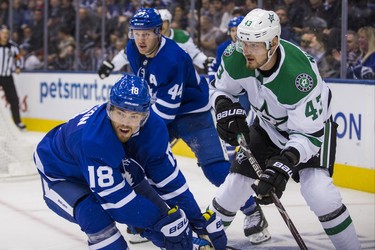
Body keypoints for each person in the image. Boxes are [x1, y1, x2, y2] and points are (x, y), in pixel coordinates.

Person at [209, 8, 361, 249]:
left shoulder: (299, 77)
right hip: (267, 126)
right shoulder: (235, 55)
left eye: (255, 45)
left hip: (311, 133)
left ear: (274, 42)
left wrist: (282, 166)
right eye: (243, 42)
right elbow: (220, 89)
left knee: (320, 193)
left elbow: (308, 135)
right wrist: (224, 106)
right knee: (234, 185)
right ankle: (205, 242)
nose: (246, 50)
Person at [34, 73, 226, 249]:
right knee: (95, 217)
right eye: (120, 113)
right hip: (62, 175)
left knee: (162, 216)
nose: (125, 123)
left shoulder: (154, 128)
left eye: (134, 116)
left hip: (109, 165)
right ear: (110, 108)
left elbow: (169, 183)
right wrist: (162, 223)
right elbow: (119, 206)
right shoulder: (94, 140)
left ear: (145, 116)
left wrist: (198, 221)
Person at [99, 7, 232, 246]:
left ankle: (253, 211)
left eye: (147, 33)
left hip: (192, 113)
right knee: (138, 163)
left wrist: (137, 132)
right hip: (159, 110)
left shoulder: (173, 57)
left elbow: (168, 112)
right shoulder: (132, 48)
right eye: (136, 33)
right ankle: (144, 220)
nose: (140, 38)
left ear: (159, 32)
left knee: (215, 169)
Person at [208, 15, 272, 245]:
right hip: (234, 101)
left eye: (239, 30)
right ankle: (249, 209)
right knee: (232, 160)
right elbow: (221, 84)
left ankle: (251, 211)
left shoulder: (264, 51)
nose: (236, 35)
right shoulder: (227, 50)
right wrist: (226, 109)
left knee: (242, 160)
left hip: (255, 106)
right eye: (233, 30)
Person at [98, 8, 213, 78]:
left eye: (164, 22)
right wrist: (112, 65)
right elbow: (126, 55)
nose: (161, 26)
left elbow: (195, 54)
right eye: (159, 22)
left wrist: (205, 62)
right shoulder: (145, 37)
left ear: (169, 22)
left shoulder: (181, 36)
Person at [0, 25, 26, 130]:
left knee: (14, 100)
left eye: (7, 33)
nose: (5, 35)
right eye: (3, 33)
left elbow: (19, 57)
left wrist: (18, 67)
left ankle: (17, 122)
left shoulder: (13, 46)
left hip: (7, 76)